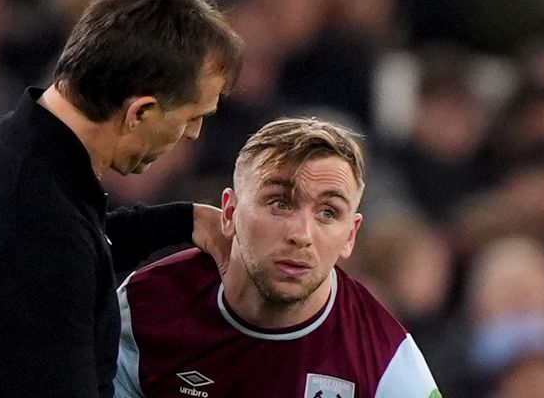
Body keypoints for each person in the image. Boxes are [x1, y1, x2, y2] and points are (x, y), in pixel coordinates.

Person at [0, 0, 243, 397]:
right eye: (192, 116)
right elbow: (51, 257)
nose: (194, 133)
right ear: (139, 112)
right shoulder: (38, 231)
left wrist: (183, 222)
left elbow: (71, 251)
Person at [115, 117, 440, 397]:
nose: (301, 234)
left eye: (328, 212)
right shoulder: (144, 308)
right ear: (230, 212)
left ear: (350, 236)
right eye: (280, 203)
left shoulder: (388, 363)